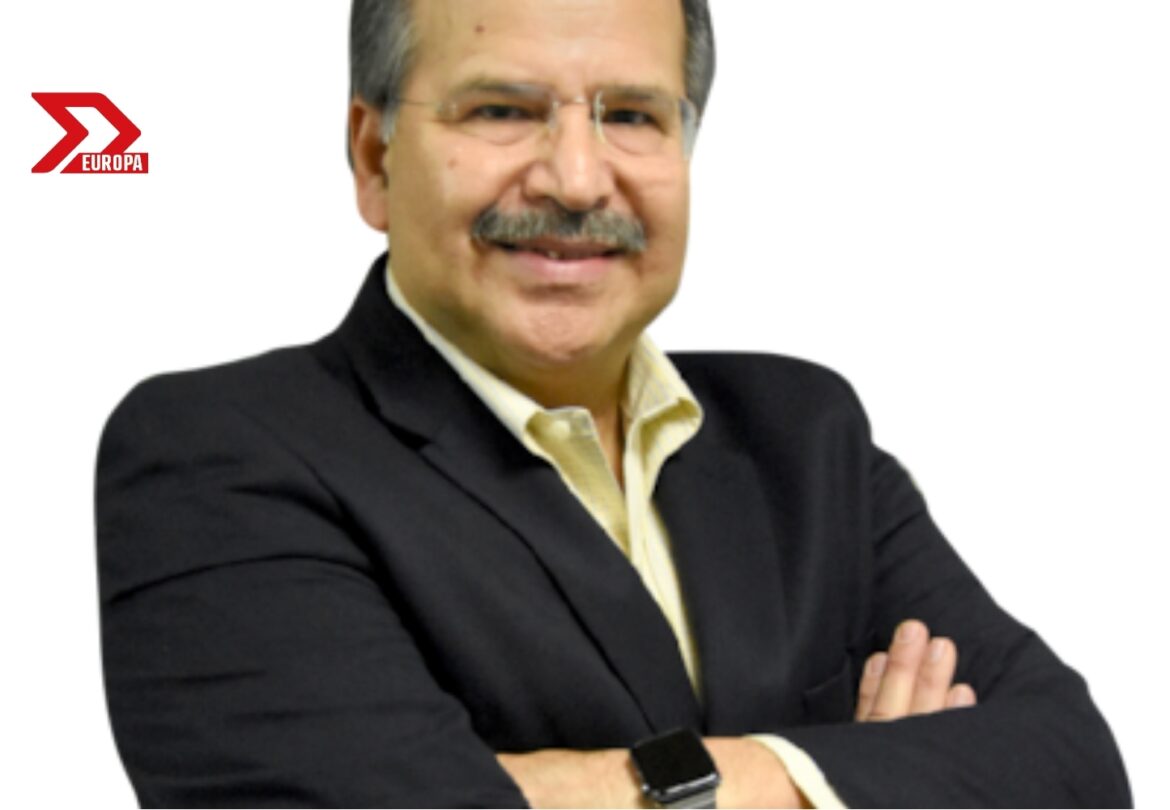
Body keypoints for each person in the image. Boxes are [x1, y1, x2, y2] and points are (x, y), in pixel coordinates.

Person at [96, 0, 1130, 806]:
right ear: (374, 158)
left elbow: (1077, 767)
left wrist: (631, 786)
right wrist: (849, 777)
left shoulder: (806, 435)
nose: (579, 179)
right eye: (503, 110)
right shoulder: (217, 455)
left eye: (632, 115)